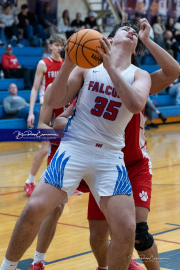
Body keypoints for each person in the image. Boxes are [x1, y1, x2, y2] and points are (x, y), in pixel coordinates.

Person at [26, 19, 180, 270]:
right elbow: (61, 118)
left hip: (133, 164)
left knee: (140, 233)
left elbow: (173, 71)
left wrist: (147, 40)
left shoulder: (140, 82)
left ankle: (153, 268)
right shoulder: (93, 82)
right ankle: (105, 266)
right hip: (102, 161)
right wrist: (69, 127)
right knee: (97, 236)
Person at [23, 34, 64, 197]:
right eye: (57, 45)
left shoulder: (66, 64)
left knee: (62, 148)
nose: (59, 48)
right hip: (47, 109)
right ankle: (30, 181)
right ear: (50, 47)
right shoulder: (43, 63)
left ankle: (61, 182)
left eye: (62, 45)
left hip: (61, 109)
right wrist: (31, 112)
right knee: (44, 148)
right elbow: (34, 88)